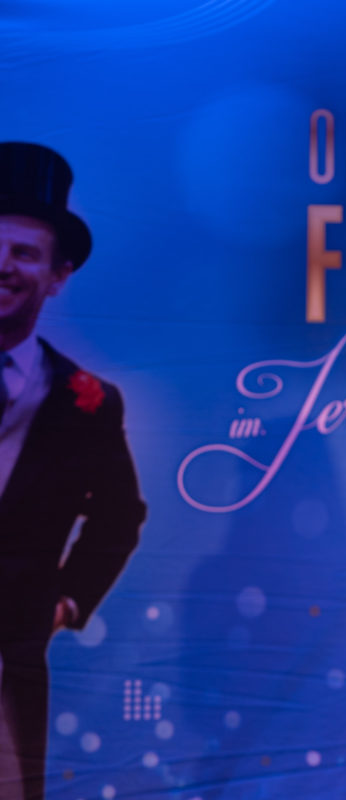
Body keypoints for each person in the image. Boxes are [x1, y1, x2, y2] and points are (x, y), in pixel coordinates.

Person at [0, 142, 146, 800]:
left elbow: (120, 517)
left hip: (9, 669)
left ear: (57, 275)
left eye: (23, 252)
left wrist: (65, 601)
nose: (3, 265)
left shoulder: (87, 400)